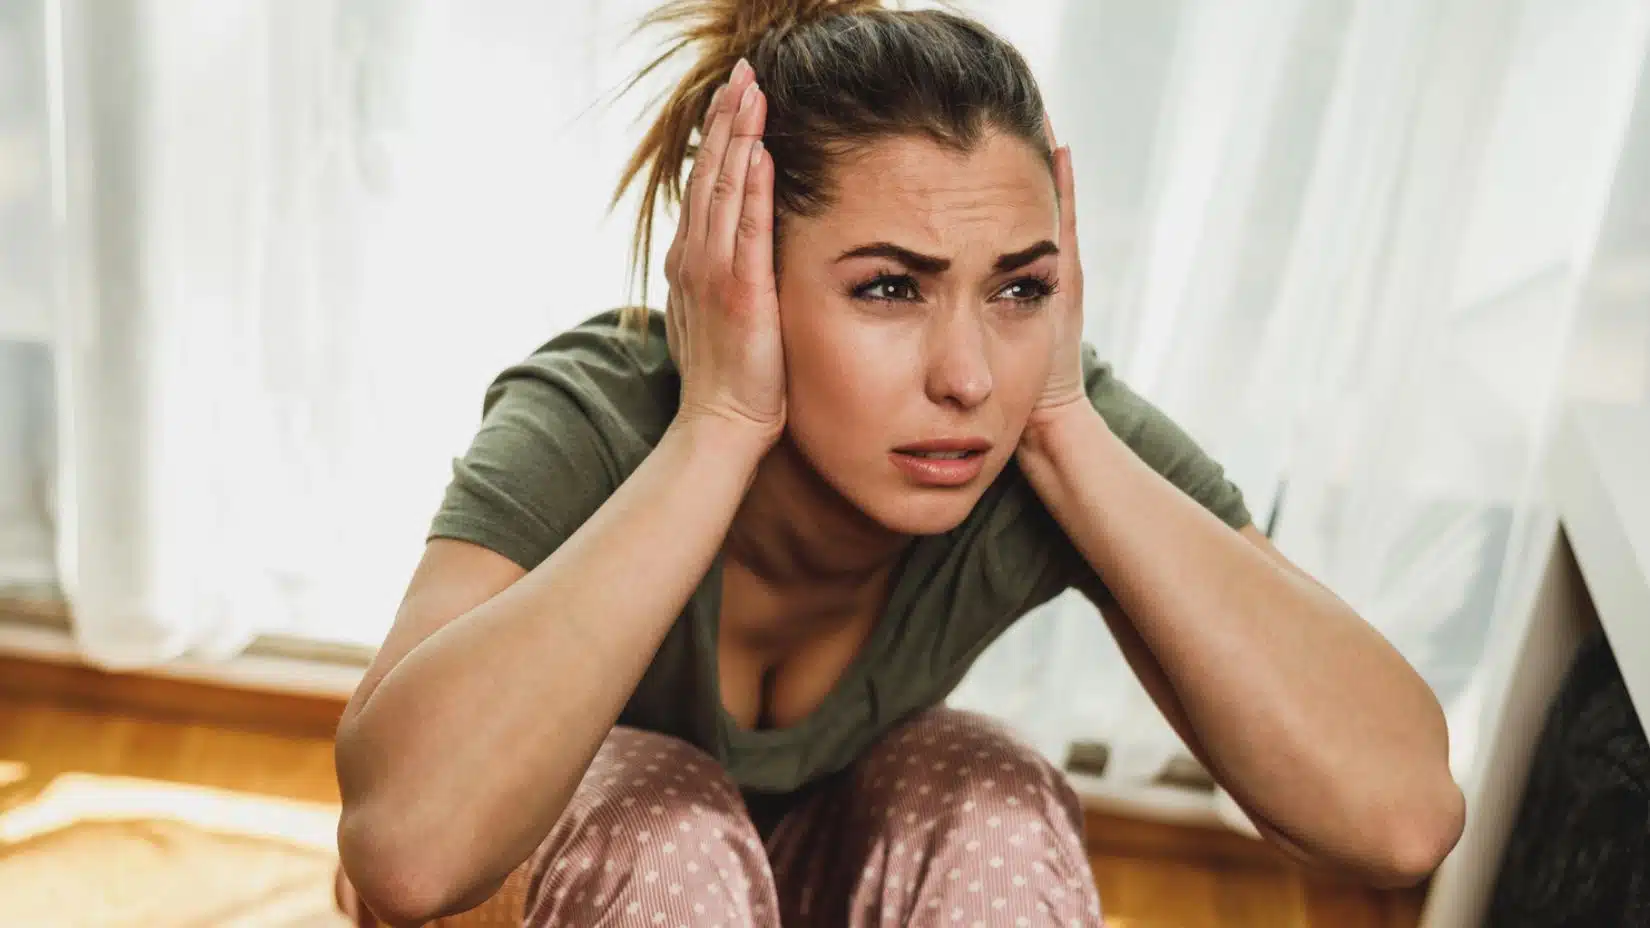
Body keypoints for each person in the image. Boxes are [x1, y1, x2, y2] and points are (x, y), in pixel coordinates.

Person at [332, 1, 1466, 925]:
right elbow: (406, 853)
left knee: (992, 798)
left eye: (1018, 286)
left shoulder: (1036, 408)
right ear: (743, 272)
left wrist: (1063, 424)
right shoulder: (602, 409)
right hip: (560, 892)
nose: (968, 376)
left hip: (840, 877)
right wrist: (718, 424)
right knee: (663, 827)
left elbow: (1401, 815)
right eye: (889, 288)